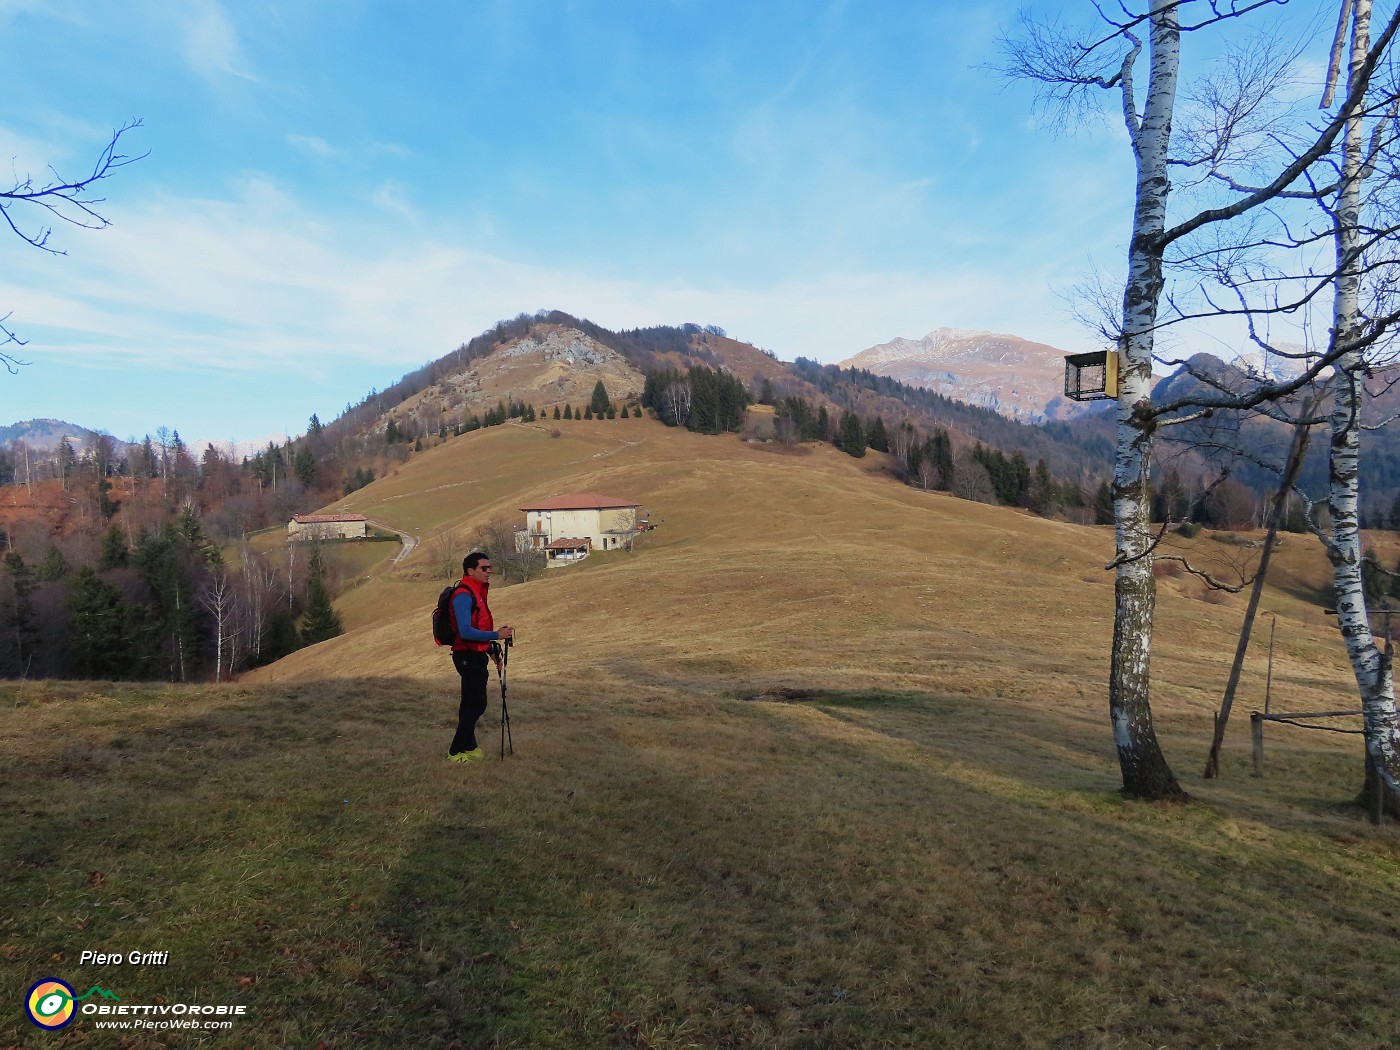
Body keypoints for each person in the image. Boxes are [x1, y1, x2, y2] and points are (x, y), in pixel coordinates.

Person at [447, 552, 515, 763]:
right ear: (470, 571)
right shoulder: (463, 595)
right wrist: (497, 635)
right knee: (477, 704)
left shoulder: (477, 592)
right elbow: (466, 632)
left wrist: (491, 650)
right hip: (466, 656)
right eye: (484, 568)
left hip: (474, 654)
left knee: (468, 702)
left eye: (489, 567)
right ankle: (455, 751)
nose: (489, 571)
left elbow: (477, 629)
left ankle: (469, 746)